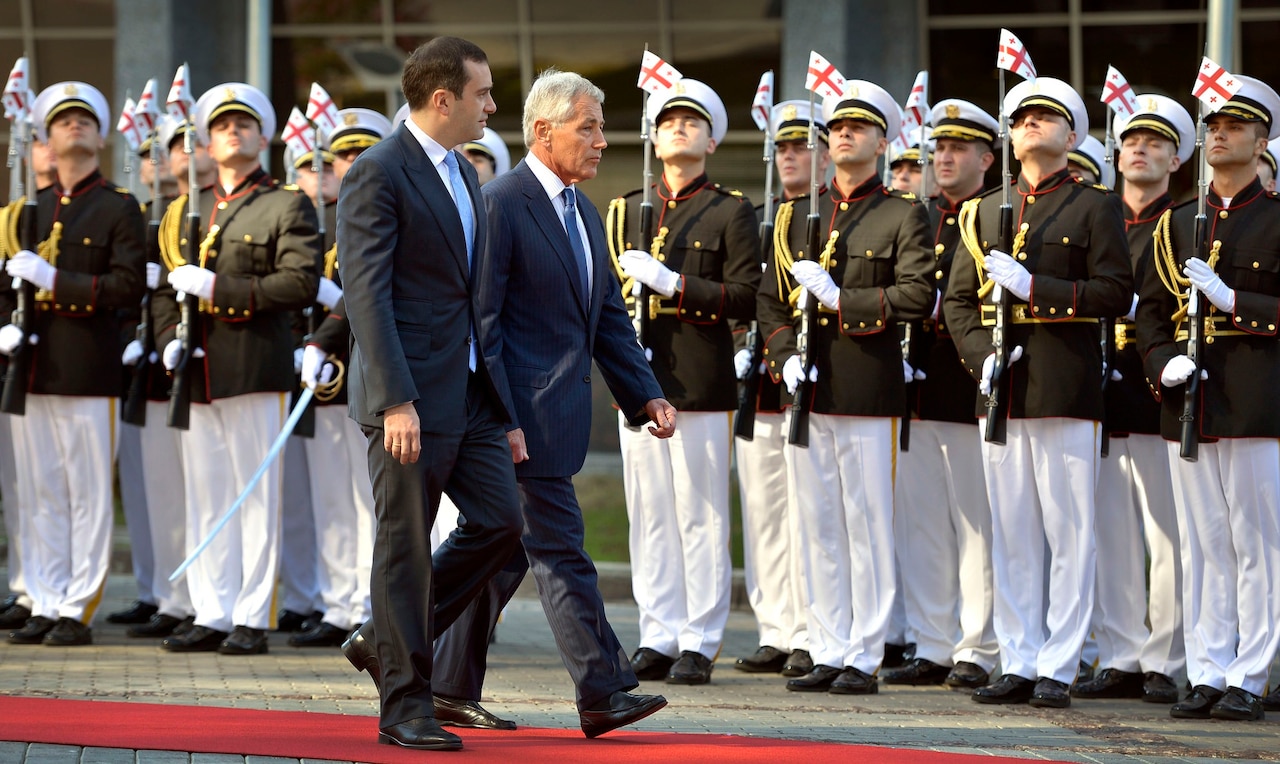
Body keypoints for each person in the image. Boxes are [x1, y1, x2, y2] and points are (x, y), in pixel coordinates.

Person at [427, 67, 676, 738]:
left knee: (499, 556)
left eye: (601, 127)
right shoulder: (502, 202)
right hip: (517, 424)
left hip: (553, 421)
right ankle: (603, 690)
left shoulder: (581, 211)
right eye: (587, 126)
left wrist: (644, 392)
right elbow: (484, 325)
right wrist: (501, 419)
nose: (601, 140)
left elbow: (606, 318)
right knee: (561, 552)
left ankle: (429, 670)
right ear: (543, 131)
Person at [335, 37, 524, 752]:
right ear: (442, 98)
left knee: (504, 525)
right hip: (409, 398)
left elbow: (471, 300)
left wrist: (499, 409)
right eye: (483, 93)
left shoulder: (462, 173)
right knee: (406, 549)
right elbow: (367, 295)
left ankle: (381, 640)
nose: (491, 105)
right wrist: (393, 402)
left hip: (471, 393)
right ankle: (404, 704)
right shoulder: (378, 172)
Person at [944, 77, 1132, 709]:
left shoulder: (1093, 204)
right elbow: (958, 304)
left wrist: (1037, 289)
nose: (1030, 123)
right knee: (1013, 529)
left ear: (1072, 135)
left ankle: (1059, 662)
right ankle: (1020, 657)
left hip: (1064, 383)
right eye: (1022, 115)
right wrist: (982, 359)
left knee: (1069, 529)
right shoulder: (981, 209)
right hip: (1003, 387)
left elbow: (1113, 292)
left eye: (1046, 116)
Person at [757, 78, 934, 695]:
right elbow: (769, 301)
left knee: (867, 523)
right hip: (807, 388)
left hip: (865, 387)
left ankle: (864, 653)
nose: (844, 135)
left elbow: (917, 295)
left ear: (883, 142)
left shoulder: (904, 213)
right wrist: (782, 355)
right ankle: (828, 645)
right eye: (836, 128)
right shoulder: (794, 216)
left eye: (858, 127)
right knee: (818, 523)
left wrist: (842, 300)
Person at [150, 82, 321, 656]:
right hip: (197, 369)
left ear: (264, 136)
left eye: (243, 124)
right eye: (221, 124)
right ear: (205, 138)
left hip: (252, 365)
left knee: (254, 495)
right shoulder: (185, 210)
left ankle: (251, 614)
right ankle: (211, 610)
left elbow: (298, 283)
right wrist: (167, 339)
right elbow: (163, 290)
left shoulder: (285, 202)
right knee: (206, 496)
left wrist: (219, 288)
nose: (232, 131)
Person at [607, 78, 761, 686]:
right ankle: (658, 631)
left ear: (712, 140)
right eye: (668, 119)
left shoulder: (729, 210)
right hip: (637, 378)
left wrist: (673, 284)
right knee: (648, 514)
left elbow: (746, 297)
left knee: (698, 514)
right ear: (652, 134)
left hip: (697, 379)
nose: (678, 128)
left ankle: (700, 638)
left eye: (692, 122)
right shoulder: (624, 208)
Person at [1138, 75, 1280, 722]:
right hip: (1188, 402)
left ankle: (1250, 674)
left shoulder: (1276, 218)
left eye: (1235, 126)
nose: (1219, 134)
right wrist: (1163, 362)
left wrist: (1233, 302)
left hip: (1255, 399)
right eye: (1214, 126)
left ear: (1261, 140)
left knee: (1258, 544)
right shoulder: (1174, 226)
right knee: (1202, 542)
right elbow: (1150, 317)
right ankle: (1208, 669)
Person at [1, 81, 145, 646]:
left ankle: (77, 606)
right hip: (31, 370)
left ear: (102, 135)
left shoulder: (117, 206)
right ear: (45, 137)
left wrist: (57, 281)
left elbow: (128, 285)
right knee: (38, 492)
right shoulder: (24, 212)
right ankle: (43, 593)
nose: (75, 126)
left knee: (85, 493)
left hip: (87, 369)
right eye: (63, 121)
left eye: (85, 119)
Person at [1073, 95, 1193, 706]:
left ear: (1177, 158)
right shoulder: (1097, 216)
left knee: (1167, 533)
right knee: (1108, 530)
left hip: (1155, 389)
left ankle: (1165, 657)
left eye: (1154, 142)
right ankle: (1119, 651)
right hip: (1095, 389)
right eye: (1130, 141)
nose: (1138, 149)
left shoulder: (1186, 221)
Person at [885, 99, 1000, 691]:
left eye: (959, 148)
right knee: (922, 522)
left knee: (976, 523)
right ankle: (932, 641)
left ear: (987, 156)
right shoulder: (914, 216)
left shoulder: (996, 214)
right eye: (940, 148)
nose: (945, 157)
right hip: (913, 385)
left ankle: (977, 645)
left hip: (965, 382)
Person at [290, 108, 393, 649]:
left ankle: (369, 606)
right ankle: (337, 604)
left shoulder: (390, 212)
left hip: (373, 372)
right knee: (333, 497)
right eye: (343, 155)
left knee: (370, 499)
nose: (351, 163)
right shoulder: (314, 217)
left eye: (362, 152)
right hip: (324, 374)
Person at [732, 100, 827, 680]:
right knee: (764, 511)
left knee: (808, 514)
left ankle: (811, 630)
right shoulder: (762, 217)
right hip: (762, 384)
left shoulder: (825, 218)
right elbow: (749, 295)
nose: (789, 156)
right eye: (782, 148)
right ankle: (775, 626)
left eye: (800, 147)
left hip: (810, 384)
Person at [118, 115, 216, 639]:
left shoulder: (212, 210)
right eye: (168, 147)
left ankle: (201, 601)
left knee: (198, 493)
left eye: (186, 143)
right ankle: (166, 594)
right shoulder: (145, 214)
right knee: (156, 493)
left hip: (209, 367)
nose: (177, 154)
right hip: (155, 367)